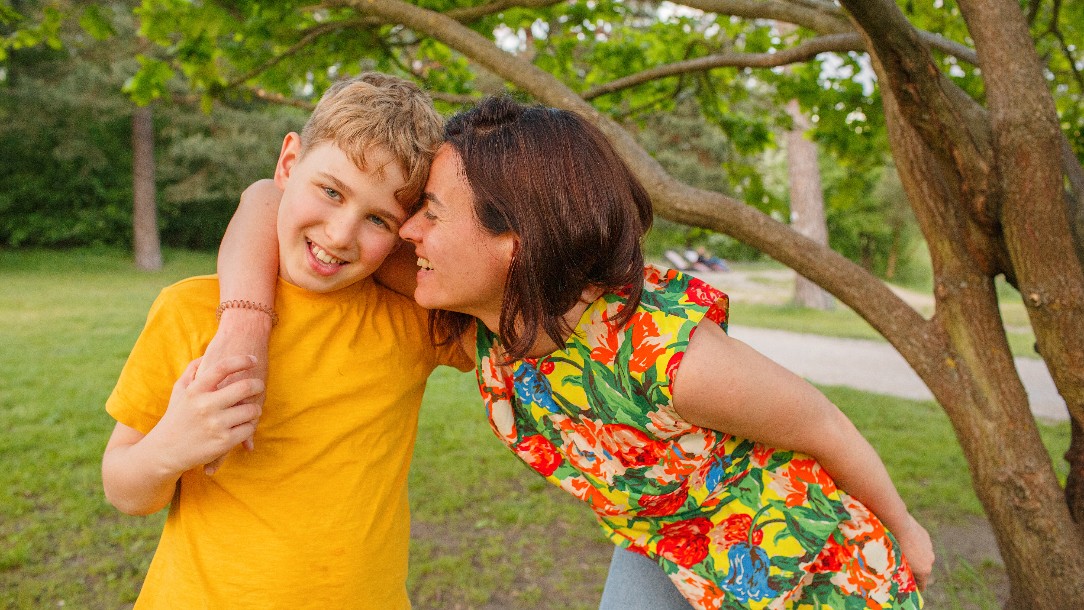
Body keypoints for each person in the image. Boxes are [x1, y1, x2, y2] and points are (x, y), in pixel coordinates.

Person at [215, 96, 934, 609]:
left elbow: (824, 426)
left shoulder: (667, 358)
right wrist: (243, 330)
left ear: (514, 242)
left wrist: (907, 531)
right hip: (664, 543)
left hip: (806, 570)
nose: (405, 235)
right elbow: (264, 198)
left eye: (430, 212)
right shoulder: (485, 316)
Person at [100, 74, 472, 610]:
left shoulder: (413, 322)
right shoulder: (190, 312)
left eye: (377, 219)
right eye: (330, 191)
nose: (341, 234)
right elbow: (122, 487)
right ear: (288, 162)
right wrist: (170, 447)